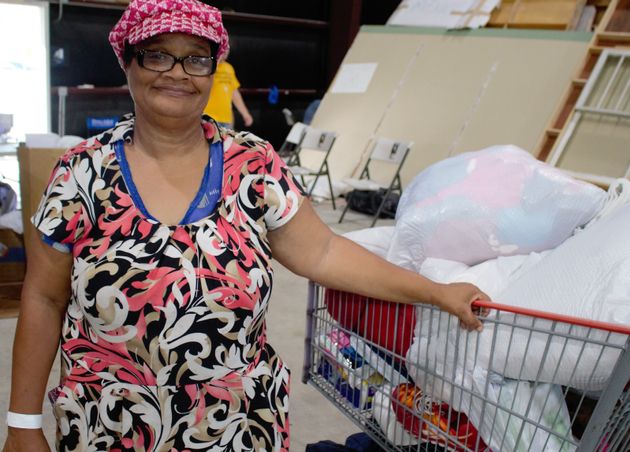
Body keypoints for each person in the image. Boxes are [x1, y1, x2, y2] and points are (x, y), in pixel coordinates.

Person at [2, 0, 489, 450]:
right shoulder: (81, 173)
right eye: (157, 55)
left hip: (236, 425)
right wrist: (22, 424)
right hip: (108, 425)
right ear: (128, 61)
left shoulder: (253, 164)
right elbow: (45, 297)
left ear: (214, 71)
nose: (177, 72)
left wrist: (435, 292)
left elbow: (323, 253)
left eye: (196, 58)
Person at [203, 47, 253, 129]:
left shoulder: (229, 68)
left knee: (228, 142)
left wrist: (245, 113)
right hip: (208, 118)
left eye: (228, 48)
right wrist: (216, 62)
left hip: (227, 120)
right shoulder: (207, 66)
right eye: (223, 47)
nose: (226, 50)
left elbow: (234, 93)